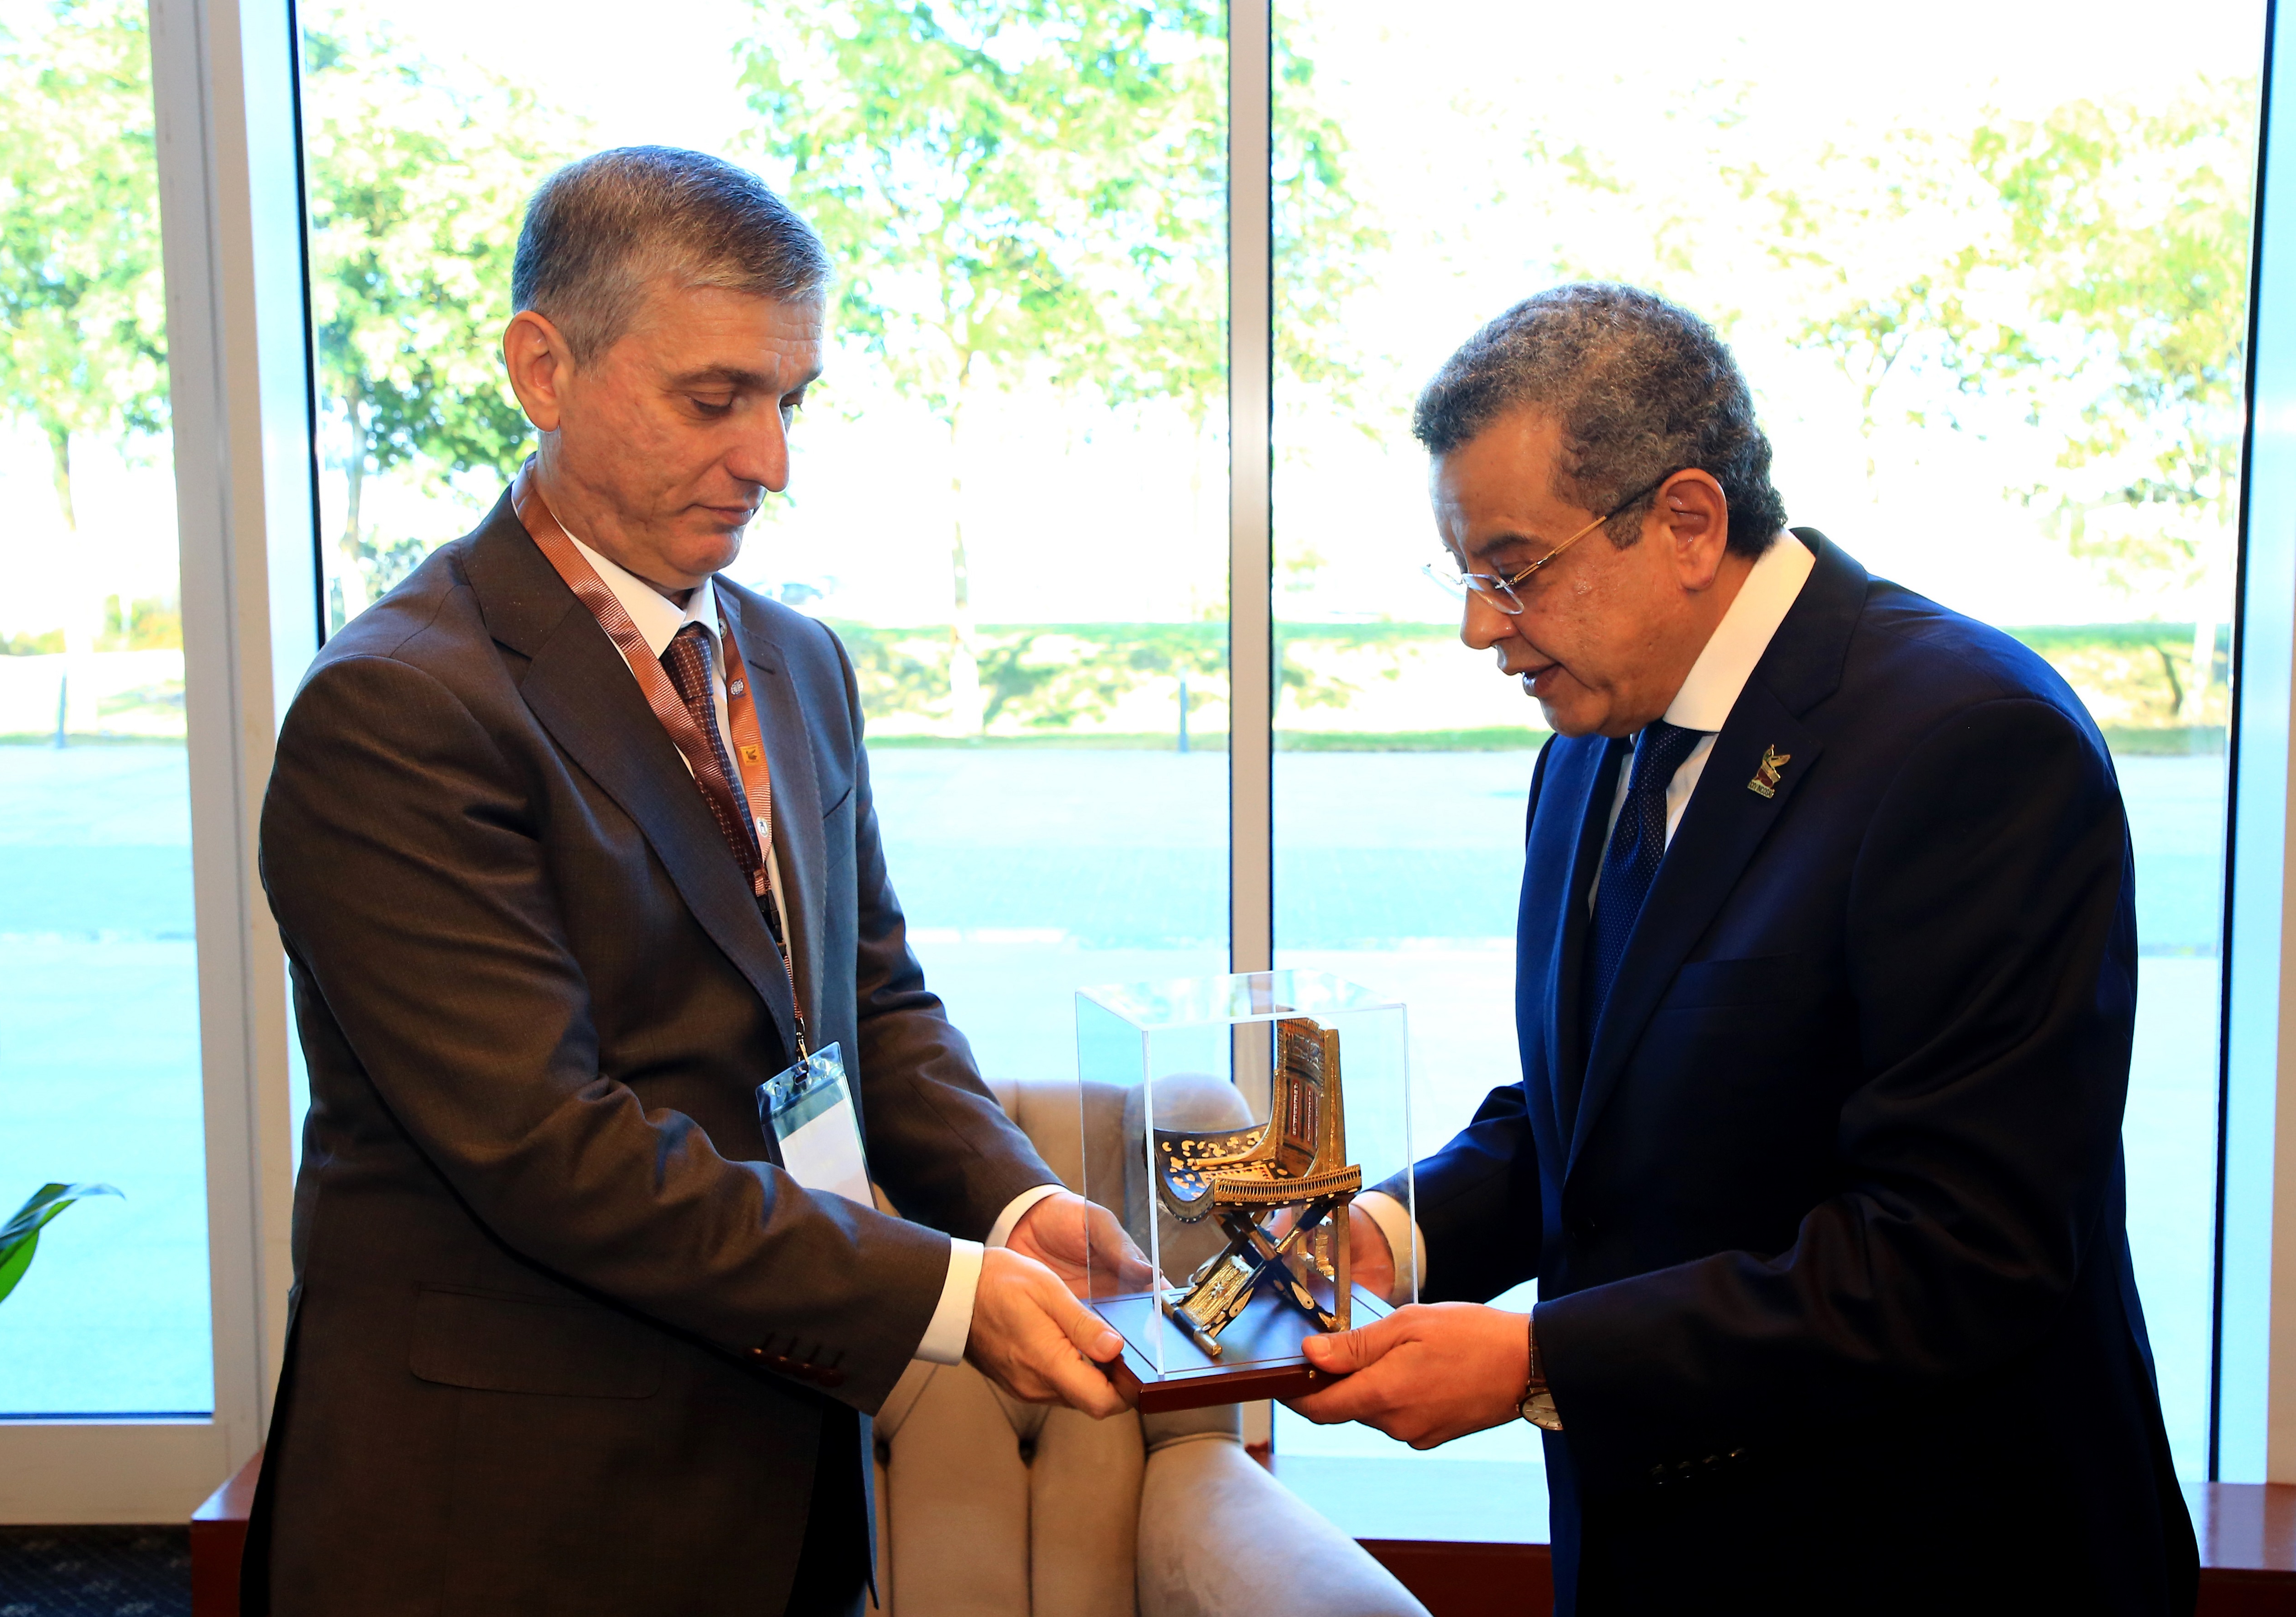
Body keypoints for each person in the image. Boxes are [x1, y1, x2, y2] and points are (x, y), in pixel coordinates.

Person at [245, 146, 1140, 1617]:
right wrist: (947, 1293)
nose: (770, 460)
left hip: (785, 1465)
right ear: (543, 370)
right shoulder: (402, 705)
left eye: (790, 400)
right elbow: (550, 1150)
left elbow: (866, 1004)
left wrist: (1007, 1203)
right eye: (714, 398)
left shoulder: (794, 662)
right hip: (513, 1512)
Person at [1291, 283, 2197, 1614]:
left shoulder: (1972, 741)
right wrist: (1389, 1237)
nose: (1479, 627)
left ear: (1687, 523)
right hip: (1657, 1550)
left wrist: (1539, 1361)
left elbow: (1961, 1248)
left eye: (1514, 570)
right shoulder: (1591, 745)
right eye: (1466, 575)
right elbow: (1601, 1115)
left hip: (1920, 1557)